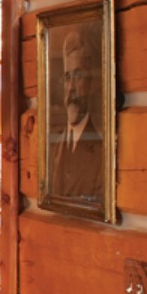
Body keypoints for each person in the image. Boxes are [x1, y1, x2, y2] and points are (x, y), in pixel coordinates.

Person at [49, 28, 104, 201]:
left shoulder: (101, 150)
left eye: (78, 76)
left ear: (93, 82)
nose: (71, 87)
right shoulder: (54, 145)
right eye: (67, 77)